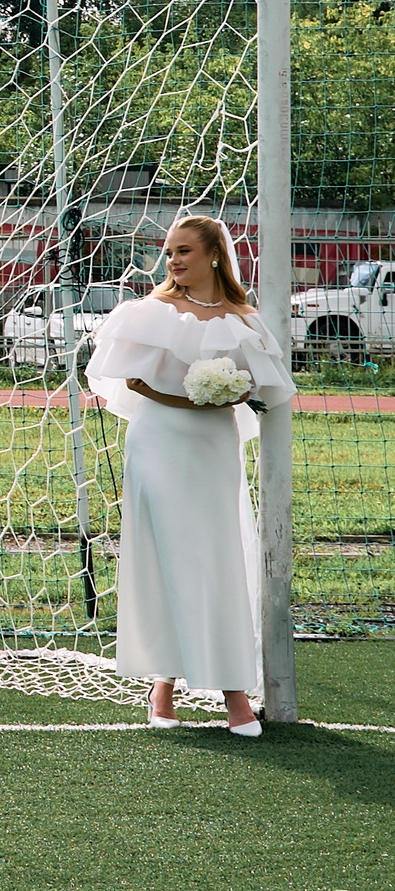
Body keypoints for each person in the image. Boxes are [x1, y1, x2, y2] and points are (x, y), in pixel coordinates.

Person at [84, 214, 295, 735]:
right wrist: (187, 397)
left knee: (216, 558)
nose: (174, 261)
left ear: (215, 256)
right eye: (170, 252)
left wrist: (224, 394)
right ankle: (162, 687)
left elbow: (265, 392)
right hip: (158, 443)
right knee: (165, 558)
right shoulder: (146, 314)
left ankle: (234, 696)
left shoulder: (244, 318)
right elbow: (129, 383)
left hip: (211, 448)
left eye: (185, 251)